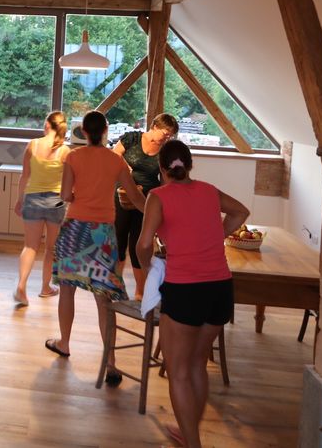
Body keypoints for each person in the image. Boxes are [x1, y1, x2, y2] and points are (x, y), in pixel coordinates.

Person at [135, 140, 250, 448]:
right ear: (190, 165)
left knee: (179, 372)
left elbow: (144, 244)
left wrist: (149, 268)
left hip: (185, 290)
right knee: (198, 363)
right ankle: (188, 433)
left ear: (162, 169)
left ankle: (192, 442)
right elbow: (240, 212)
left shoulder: (158, 196)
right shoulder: (209, 191)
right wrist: (214, 236)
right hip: (220, 289)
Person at [45, 111, 145, 388]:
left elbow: (65, 195)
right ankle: (111, 362)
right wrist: (156, 213)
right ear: (105, 131)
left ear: (84, 132)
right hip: (102, 235)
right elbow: (135, 197)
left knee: (67, 290)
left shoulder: (73, 157)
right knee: (104, 299)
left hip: (75, 229)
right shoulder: (116, 160)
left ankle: (64, 343)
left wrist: (79, 196)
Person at [112, 113, 179, 299]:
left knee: (139, 245)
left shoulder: (165, 152)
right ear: (155, 126)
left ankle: (140, 292)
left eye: (170, 135)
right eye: (166, 133)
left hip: (147, 202)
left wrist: (165, 204)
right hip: (122, 196)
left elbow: (164, 181)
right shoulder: (132, 138)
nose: (167, 137)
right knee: (118, 241)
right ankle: (116, 288)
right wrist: (125, 168)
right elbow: (114, 155)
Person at [12, 111, 71, 306]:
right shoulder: (65, 151)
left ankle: (21, 286)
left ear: (47, 125)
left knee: (30, 246)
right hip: (56, 203)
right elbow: (69, 182)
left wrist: (19, 200)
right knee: (50, 248)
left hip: (33, 200)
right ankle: (45, 288)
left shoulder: (32, 145)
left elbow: (24, 177)